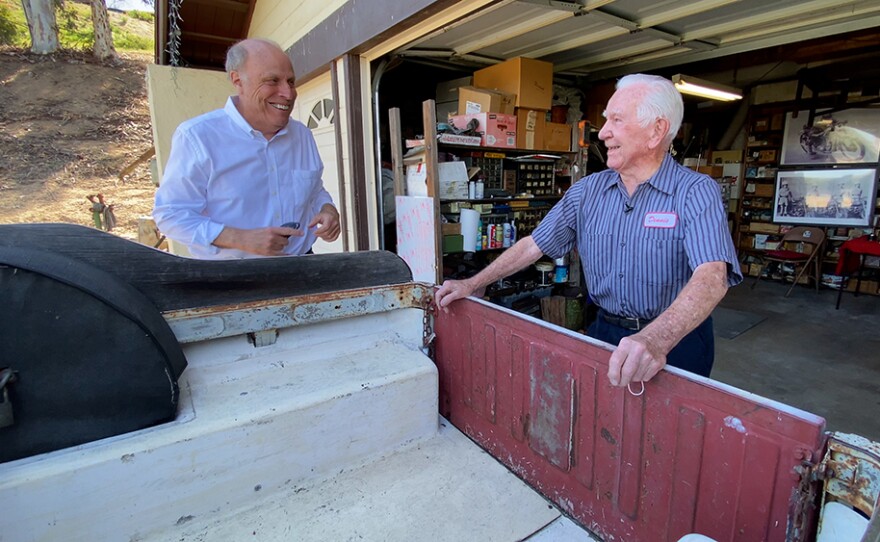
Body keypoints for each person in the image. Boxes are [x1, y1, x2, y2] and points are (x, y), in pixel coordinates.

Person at [435, 74, 742, 388]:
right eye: (606, 120)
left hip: (677, 341)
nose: (603, 132)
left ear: (656, 131)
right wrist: (474, 283)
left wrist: (656, 339)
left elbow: (712, 277)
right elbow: (533, 245)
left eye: (617, 120)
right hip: (605, 332)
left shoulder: (694, 191)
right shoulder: (587, 191)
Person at [154, 38, 340, 259]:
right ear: (238, 80)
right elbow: (171, 214)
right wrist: (240, 239)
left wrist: (327, 208)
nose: (288, 93)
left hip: (303, 265)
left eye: (290, 82)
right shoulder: (198, 137)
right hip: (232, 276)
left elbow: (315, 190)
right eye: (272, 81)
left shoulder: (302, 135)